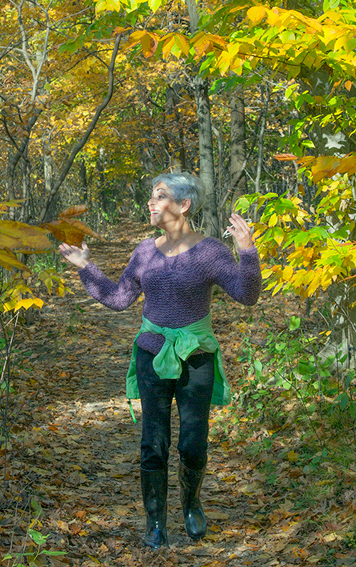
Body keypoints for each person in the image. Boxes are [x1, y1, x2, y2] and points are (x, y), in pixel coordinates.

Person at [59, 172, 261, 549]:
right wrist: (86, 267)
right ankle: (155, 522)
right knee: (153, 442)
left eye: (160, 196)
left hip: (196, 356)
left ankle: (191, 504)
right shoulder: (145, 252)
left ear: (183, 205)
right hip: (152, 353)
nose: (151, 203)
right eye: (151, 196)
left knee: (193, 443)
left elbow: (246, 296)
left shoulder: (210, 252)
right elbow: (120, 298)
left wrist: (247, 252)